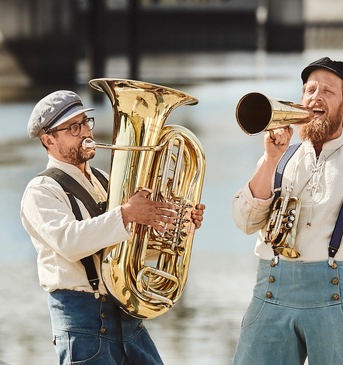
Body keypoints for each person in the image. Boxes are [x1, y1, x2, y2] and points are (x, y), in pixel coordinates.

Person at [231, 57, 343, 365]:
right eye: (309, 89)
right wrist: (270, 158)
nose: (315, 97)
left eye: (327, 91)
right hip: (271, 294)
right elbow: (245, 221)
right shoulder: (277, 156)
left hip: (339, 298)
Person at [20, 90, 206, 365]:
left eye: (85, 122)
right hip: (82, 323)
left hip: (126, 317)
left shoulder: (105, 180)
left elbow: (131, 248)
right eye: (73, 127)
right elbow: (69, 243)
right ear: (48, 140)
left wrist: (177, 225)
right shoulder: (41, 190)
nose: (85, 132)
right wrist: (127, 213)